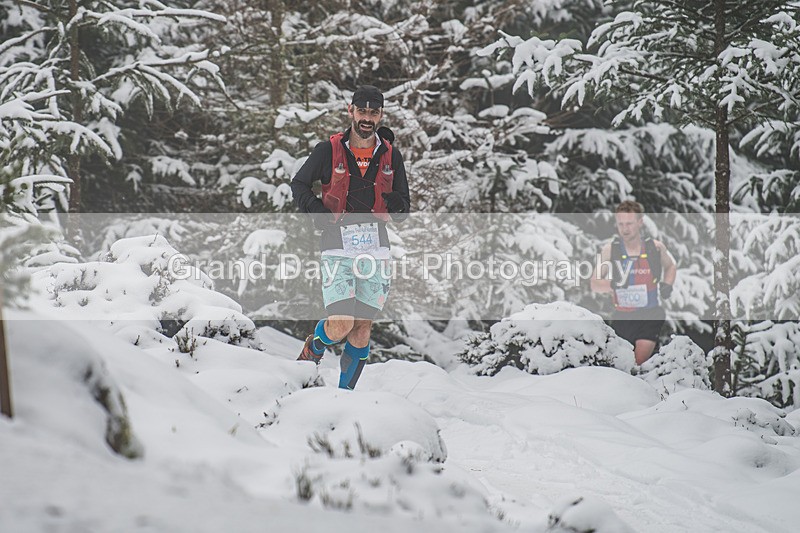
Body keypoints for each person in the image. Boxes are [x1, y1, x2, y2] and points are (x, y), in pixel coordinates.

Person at [290, 85, 410, 390]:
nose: (367, 118)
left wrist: (398, 204)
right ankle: (314, 347)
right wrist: (316, 211)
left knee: (362, 329)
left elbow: (403, 210)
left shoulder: (391, 155)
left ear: (381, 115)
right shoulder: (328, 150)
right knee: (342, 324)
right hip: (337, 244)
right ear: (351, 111)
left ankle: (345, 397)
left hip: (376, 247)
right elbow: (299, 184)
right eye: (362, 111)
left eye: (373, 112)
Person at [590, 201, 677, 365]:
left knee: (638, 361)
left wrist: (667, 284)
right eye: (620, 224)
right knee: (621, 364)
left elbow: (670, 266)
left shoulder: (654, 247)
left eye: (629, 223)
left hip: (650, 314)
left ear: (640, 222)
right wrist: (613, 284)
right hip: (623, 316)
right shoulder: (611, 250)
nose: (625, 229)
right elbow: (594, 283)